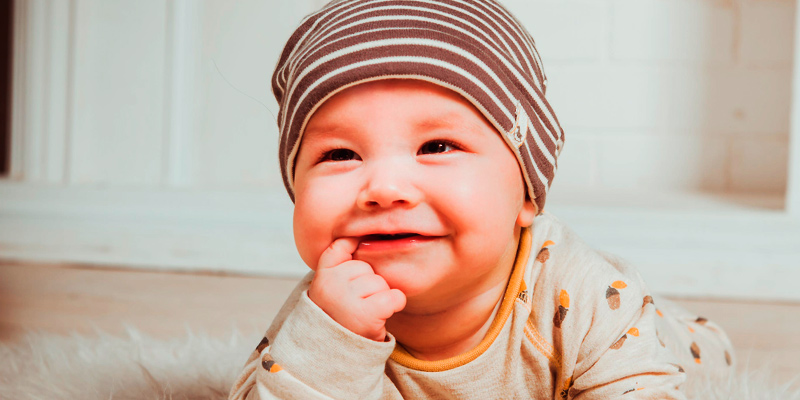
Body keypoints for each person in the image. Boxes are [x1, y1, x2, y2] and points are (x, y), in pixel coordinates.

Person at [229, 1, 732, 398]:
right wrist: (334, 343)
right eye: (340, 153)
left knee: (677, 348)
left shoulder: (582, 293)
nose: (383, 189)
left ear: (527, 195)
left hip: (655, 340)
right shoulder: (326, 312)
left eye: (437, 146)